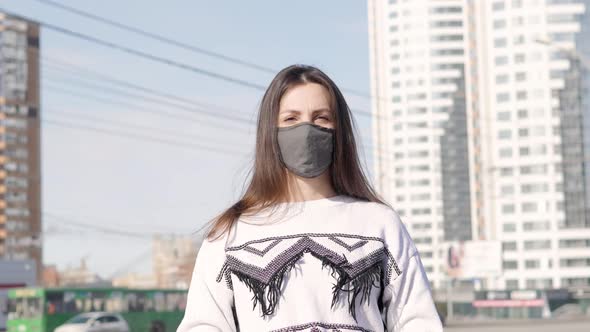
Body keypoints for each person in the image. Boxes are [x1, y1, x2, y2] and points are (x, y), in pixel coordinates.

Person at [177, 64, 442, 331]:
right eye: (291, 119)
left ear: (340, 131)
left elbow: (417, 321)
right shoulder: (231, 233)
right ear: (271, 132)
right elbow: (204, 325)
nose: (307, 130)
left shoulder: (380, 224)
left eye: (321, 118)